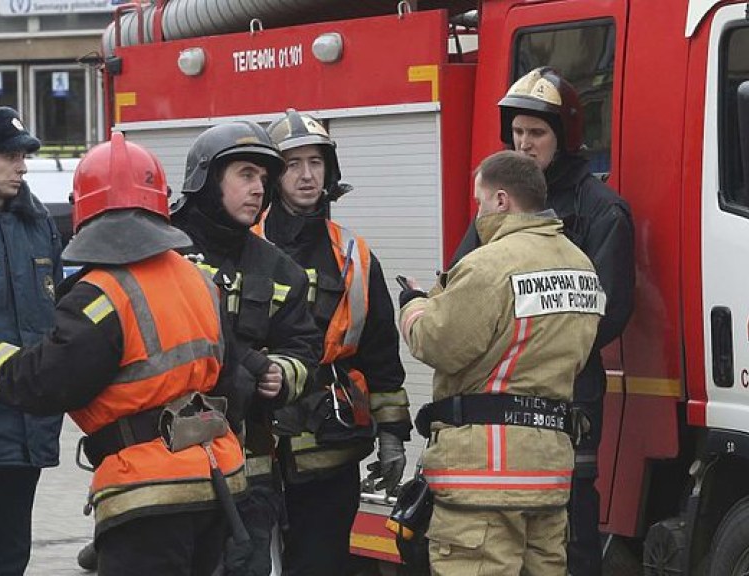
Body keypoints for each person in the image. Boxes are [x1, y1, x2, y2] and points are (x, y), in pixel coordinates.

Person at [0, 132, 254, 576]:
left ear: (85, 209)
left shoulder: (100, 296)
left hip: (148, 494)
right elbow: (232, 382)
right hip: (216, 483)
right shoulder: (199, 281)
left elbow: (44, 382)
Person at [451, 67, 635, 576]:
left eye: (537, 133)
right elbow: (460, 289)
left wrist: (535, 355)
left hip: (567, 396)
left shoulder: (603, 213)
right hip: (499, 403)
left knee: (568, 530)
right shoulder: (497, 206)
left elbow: (609, 311)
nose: (525, 144)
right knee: (494, 535)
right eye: (517, 133)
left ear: (566, 137)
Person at [399, 150, 605, 575]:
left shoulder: (489, 263)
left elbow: (440, 343)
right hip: (548, 476)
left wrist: (414, 307)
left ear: (501, 200)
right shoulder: (582, 267)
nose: (478, 213)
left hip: (484, 479)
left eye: (479, 202)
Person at [252, 109, 411, 576]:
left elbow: (381, 354)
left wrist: (392, 438)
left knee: (322, 565)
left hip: (330, 447)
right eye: (293, 163)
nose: (306, 175)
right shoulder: (243, 245)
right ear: (273, 174)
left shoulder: (354, 256)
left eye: (315, 163)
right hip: (254, 445)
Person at [170, 120, 321, 575]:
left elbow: (305, 349)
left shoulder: (280, 270)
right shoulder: (164, 253)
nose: (259, 189)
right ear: (206, 178)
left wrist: (282, 372)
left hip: (248, 469)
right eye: (245, 175)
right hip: (169, 464)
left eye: (263, 179)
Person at [0, 106, 64, 576]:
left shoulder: (39, 225)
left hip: (25, 432)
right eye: (10, 155)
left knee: (11, 557)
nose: (22, 166)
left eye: (25, 155)